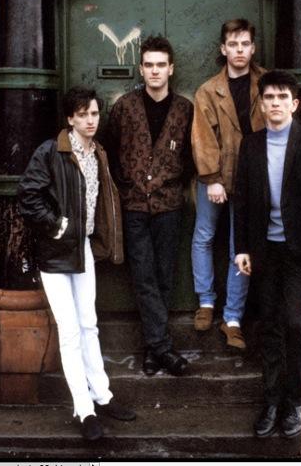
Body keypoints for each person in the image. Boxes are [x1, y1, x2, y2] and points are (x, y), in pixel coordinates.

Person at [18, 87, 136, 442]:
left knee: (89, 324)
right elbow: (28, 195)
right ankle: (84, 409)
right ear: (70, 118)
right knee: (69, 332)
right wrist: (57, 224)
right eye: (83, 114)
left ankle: (103, 395)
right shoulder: (51, 151)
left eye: (95, 114)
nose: (90, 120)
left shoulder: (98, 151)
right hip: (55, 253)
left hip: (82, 248)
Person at [234, 70, 301, 438]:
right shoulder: (251, 144)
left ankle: (295, 401)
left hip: (299, 252)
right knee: (270, 326)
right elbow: (243, 202)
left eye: (282, 97)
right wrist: (242, 249)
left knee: (295, 324)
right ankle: (272, 401)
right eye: (269, 98)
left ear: (294, 104)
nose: (275, 103)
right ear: (261, 105)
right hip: (264, 252)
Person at [105, 35, 194, 377]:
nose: (155, 71)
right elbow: (110, 151)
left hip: (169, 205)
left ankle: (152, 349)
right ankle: (163, 349)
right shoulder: (125, 106)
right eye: (149, 65)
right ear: (141, 69)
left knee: (163, 276)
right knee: (143, 276)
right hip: (133, 206)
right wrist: (128, 184)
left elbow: (191, 156)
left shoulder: (185, 109)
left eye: (161, 65)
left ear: (171, 69)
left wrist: (171, 181)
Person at [190, 18, 265, 351]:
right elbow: (202, 138)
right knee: (204, 236)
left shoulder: (265, 84)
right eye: (233, 44)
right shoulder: (208, 90)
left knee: (241, 248)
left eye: (245, 44)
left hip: (252, 180)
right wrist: (212, 178)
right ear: (223, 49)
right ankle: (206, 302)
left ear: (253, 48)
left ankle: (232, 317)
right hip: (216, 179)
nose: (239, 50)